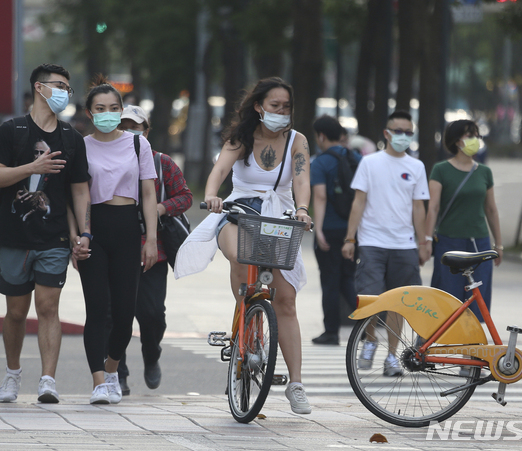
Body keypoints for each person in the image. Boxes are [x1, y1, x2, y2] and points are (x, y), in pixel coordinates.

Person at [174, 77, 314, 414]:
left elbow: (302, 180)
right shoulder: (242, 138)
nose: (282, 112)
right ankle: (245, 314)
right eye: (275, 106)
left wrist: (303, 209)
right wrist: (211, 195)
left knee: (288, 302)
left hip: (278, 216)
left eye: (287, 107)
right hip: (238, 211)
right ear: (258, 106)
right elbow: (219, 170)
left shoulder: (297, 141)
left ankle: (295, 384)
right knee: (241, 254)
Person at [0, 63, 91, 403]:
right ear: (38, 87)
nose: (63, 92)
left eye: (67, 87)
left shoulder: (72, 137)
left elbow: (79, 190)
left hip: (54, 236)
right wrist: (32, 168)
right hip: (14, 235)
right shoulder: (11, 131)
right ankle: (13, 374)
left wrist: (83, 232)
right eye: (57, 85)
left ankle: (48, 380)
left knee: (48, 307)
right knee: (16, 311)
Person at [74, 77, 158, 404]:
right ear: (89, 112)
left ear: (121, 110)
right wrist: (81, 234)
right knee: (97, 309)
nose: (107, 113)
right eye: (100, 109)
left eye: (113, 108)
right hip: (95, 228)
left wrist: (150, 238)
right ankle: (98, 382)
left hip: (127, 228)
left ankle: (112, 368)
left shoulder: (138, 145)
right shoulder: (81, 145)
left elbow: (149, 193)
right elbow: (78, 194)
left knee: (124, 314)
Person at [342, 110, 429, 376]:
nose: (402, 136)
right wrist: (350, 237)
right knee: (369, 298)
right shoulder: (370, 163)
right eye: (398, 131)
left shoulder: (416, 166)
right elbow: (359, 201)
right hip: (372, 241)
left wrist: (422, 241)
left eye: (408, 132)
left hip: (404, 245)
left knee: (400, 303)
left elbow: (418, 207)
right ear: (387, 133)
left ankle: (392, 356)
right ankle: (370, 339)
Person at [115, 105, 193, 394]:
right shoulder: (104, 159)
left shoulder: (163, 163)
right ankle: (118, 374)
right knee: (115, 315)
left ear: (146, 132)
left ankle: (151, 355)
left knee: (151, 316)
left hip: (153, 252)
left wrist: (159, 208)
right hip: (114, 250)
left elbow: (185, 196)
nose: (129, 133)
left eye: (136, 127)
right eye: (123, 126)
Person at [424, 119, 503, 322]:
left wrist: (499, 245)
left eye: (477, 136)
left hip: (480, 243)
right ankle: (437, 343)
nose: (475, 140)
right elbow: (433, 207)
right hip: (449, 241)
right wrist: (426, 239)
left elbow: (491, 209)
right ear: (457, 141)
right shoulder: (440, 170)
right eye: (469, 136)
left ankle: (472, 347)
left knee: (478, 302)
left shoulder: (484, 172)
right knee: (447, 298)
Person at [310, 115, 361, 345]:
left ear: (321, 136)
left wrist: (317, 229)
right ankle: (368, 321)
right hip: (353, 229)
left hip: (329, 228)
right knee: (348, 279)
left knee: (330, 281)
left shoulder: (320, 162)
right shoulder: (357, 158)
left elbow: (319, 196)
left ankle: (331, 332)